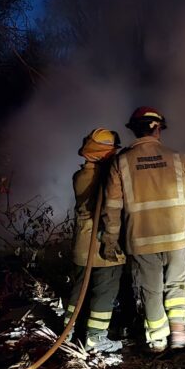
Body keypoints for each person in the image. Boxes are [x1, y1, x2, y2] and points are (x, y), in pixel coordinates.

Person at [101, 107, 185, 352]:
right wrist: (183, 216)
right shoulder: (178, 158)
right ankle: (179, 334)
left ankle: (157, 340)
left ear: (134, 130)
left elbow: (112, 207)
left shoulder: (121, 162)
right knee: (177, 284)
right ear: (158, 128)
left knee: (151, 289)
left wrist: (110, 240)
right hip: (176, 236)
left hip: (141, 238)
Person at [65, 128, 125, 353]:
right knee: (105, 291)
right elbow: (111, 208)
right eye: (111, 152)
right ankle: (95, 338)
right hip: (102, 246)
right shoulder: (105, 179)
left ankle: (68, 331)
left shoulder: (80, 176)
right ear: (102, 153)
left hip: (82, 245)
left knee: (79, 289)